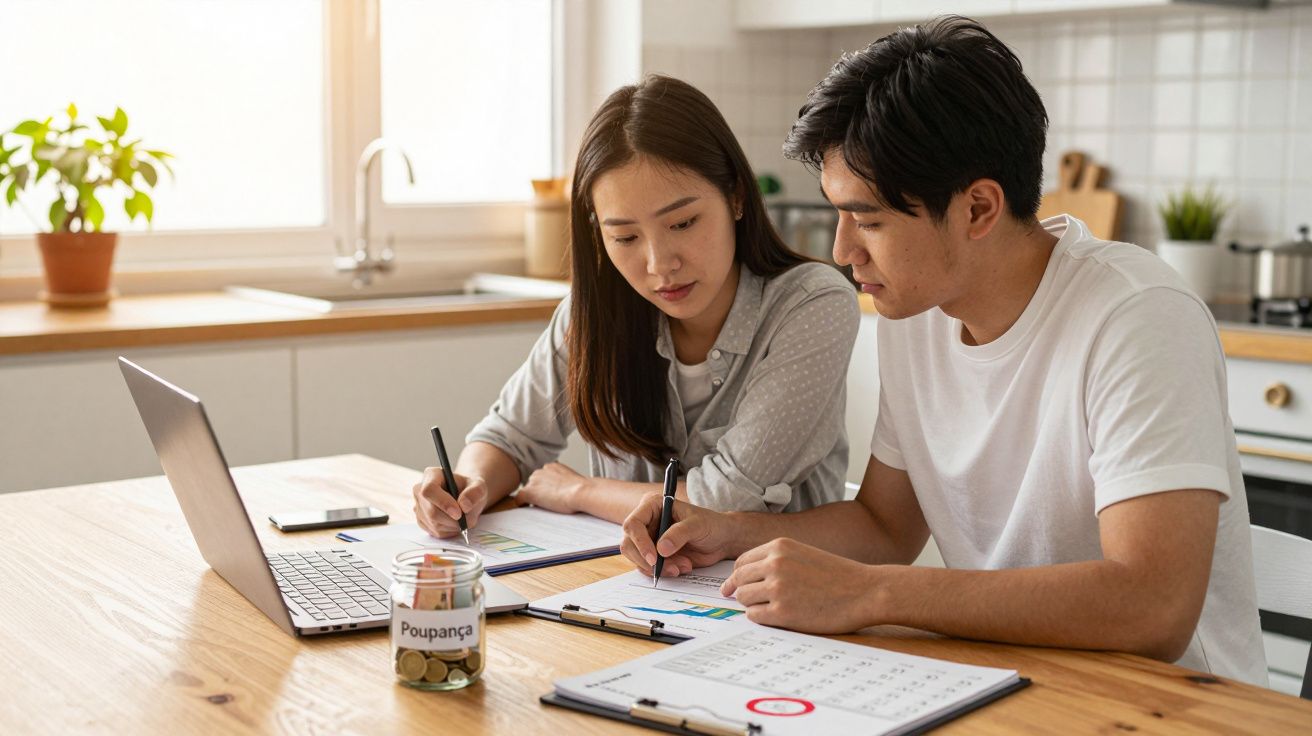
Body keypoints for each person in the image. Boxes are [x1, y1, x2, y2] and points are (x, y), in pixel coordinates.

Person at [619, 17, 1267, 685]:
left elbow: (1152, 607)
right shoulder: (917, 314)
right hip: (1010, 679)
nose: (842, 251)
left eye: (868, 220)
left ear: (978, 209)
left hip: (1179, 706)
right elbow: (884, 526)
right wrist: (730, 530)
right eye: (839, 215)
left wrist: (873, 593)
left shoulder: (1137, 316)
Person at [413, 75, 860, 534]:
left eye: (683, 223)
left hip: (766, 578)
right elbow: (509, 437)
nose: (659, 264)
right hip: (621, 576)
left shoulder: (812, 304)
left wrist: (582, 491)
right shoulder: (591, 314)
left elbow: (726, 499)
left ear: (736, 197)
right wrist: (469, 485)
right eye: (625, 237)